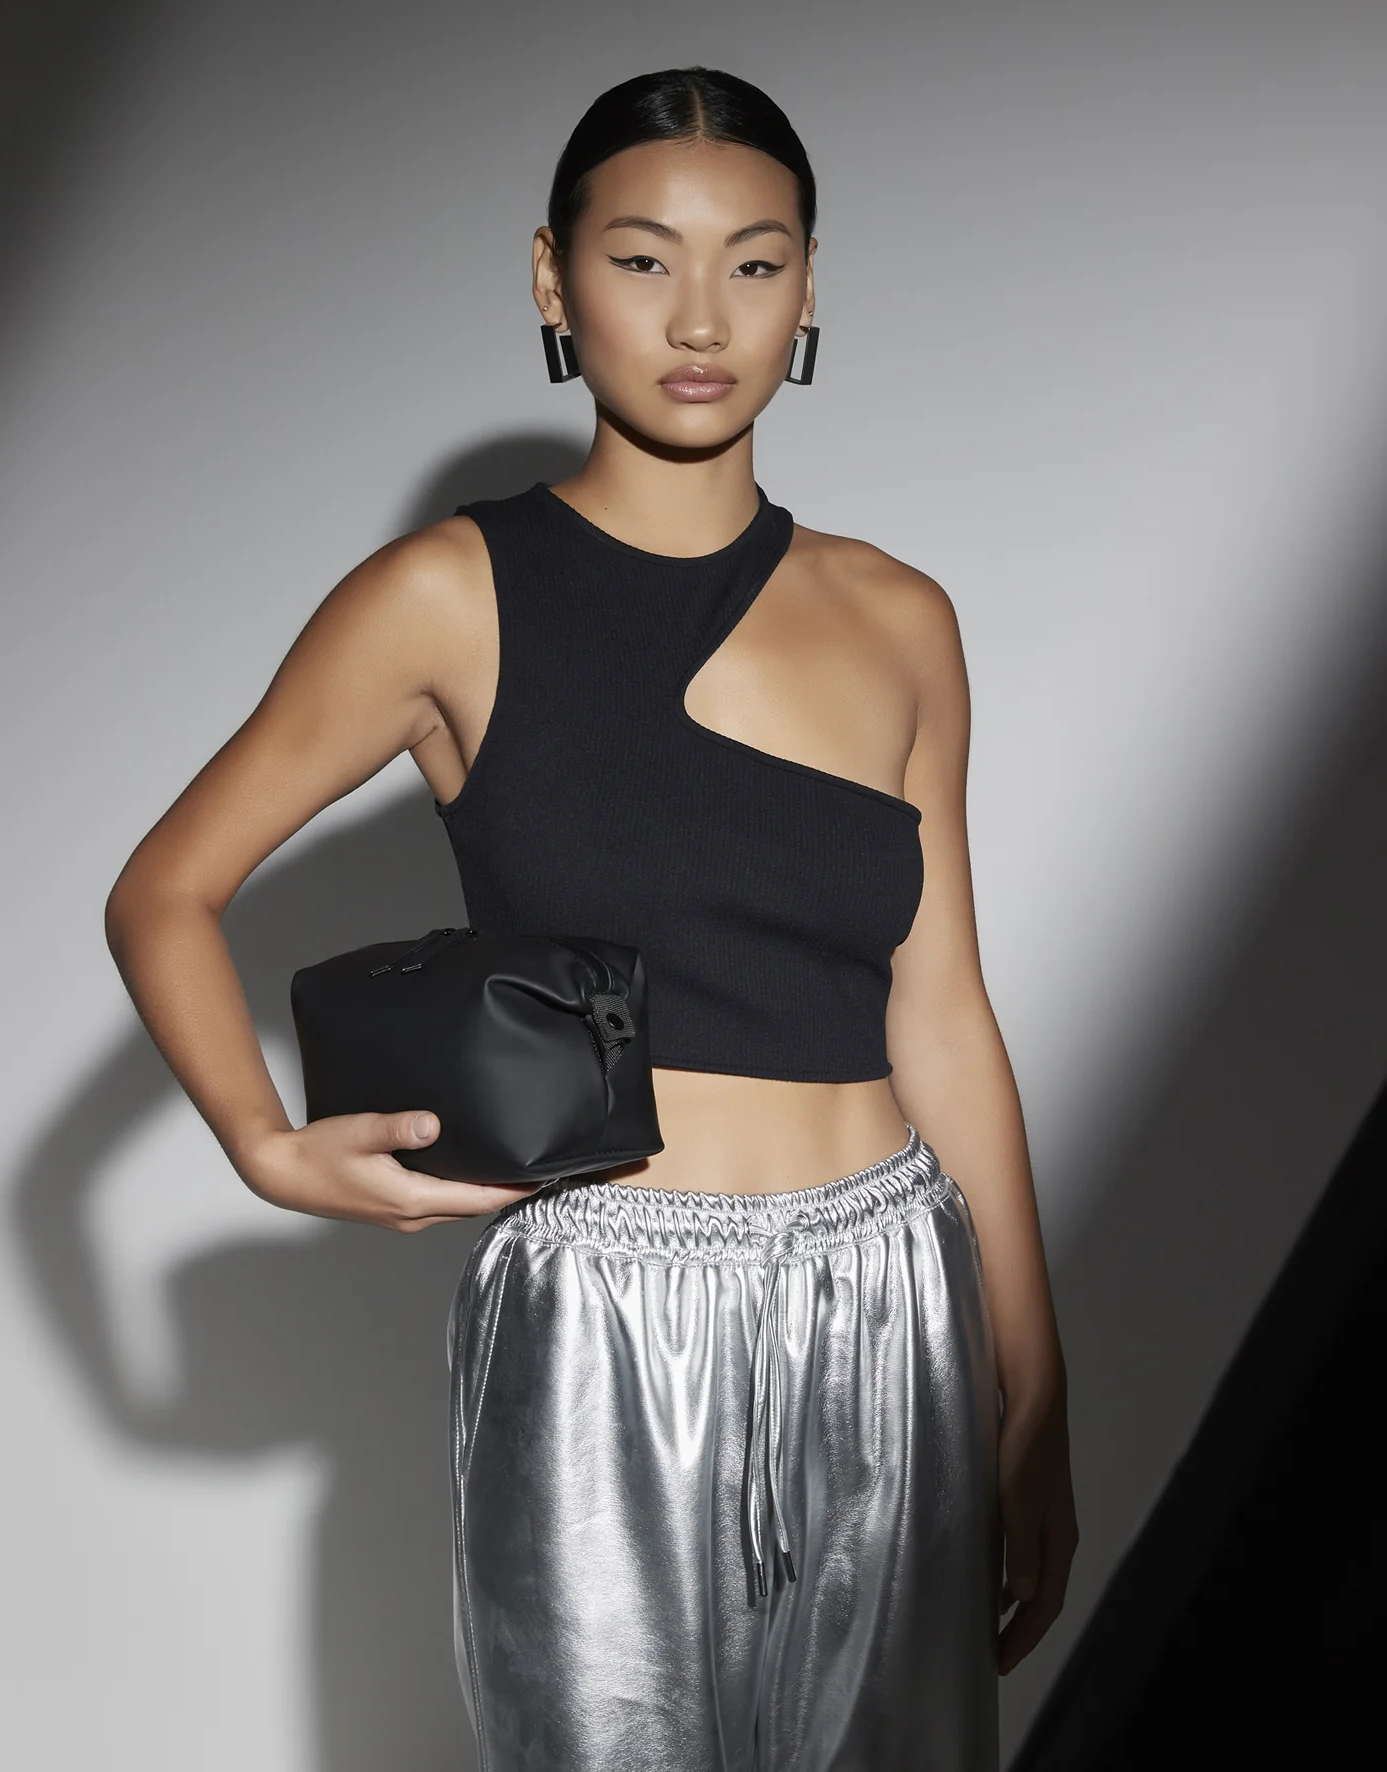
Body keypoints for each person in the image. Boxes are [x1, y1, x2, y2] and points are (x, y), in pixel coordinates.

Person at [106, 64, 1076, 1772]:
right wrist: (267, 1148)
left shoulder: (900, 618)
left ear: (808, 286)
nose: (701, 317)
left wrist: (1034, 1395)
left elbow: (942, 1012)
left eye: (754, 262)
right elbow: (164, 891)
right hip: (604, 1315)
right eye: (642, 260)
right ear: (553, 280)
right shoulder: (446, 594)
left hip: (893, 1298)